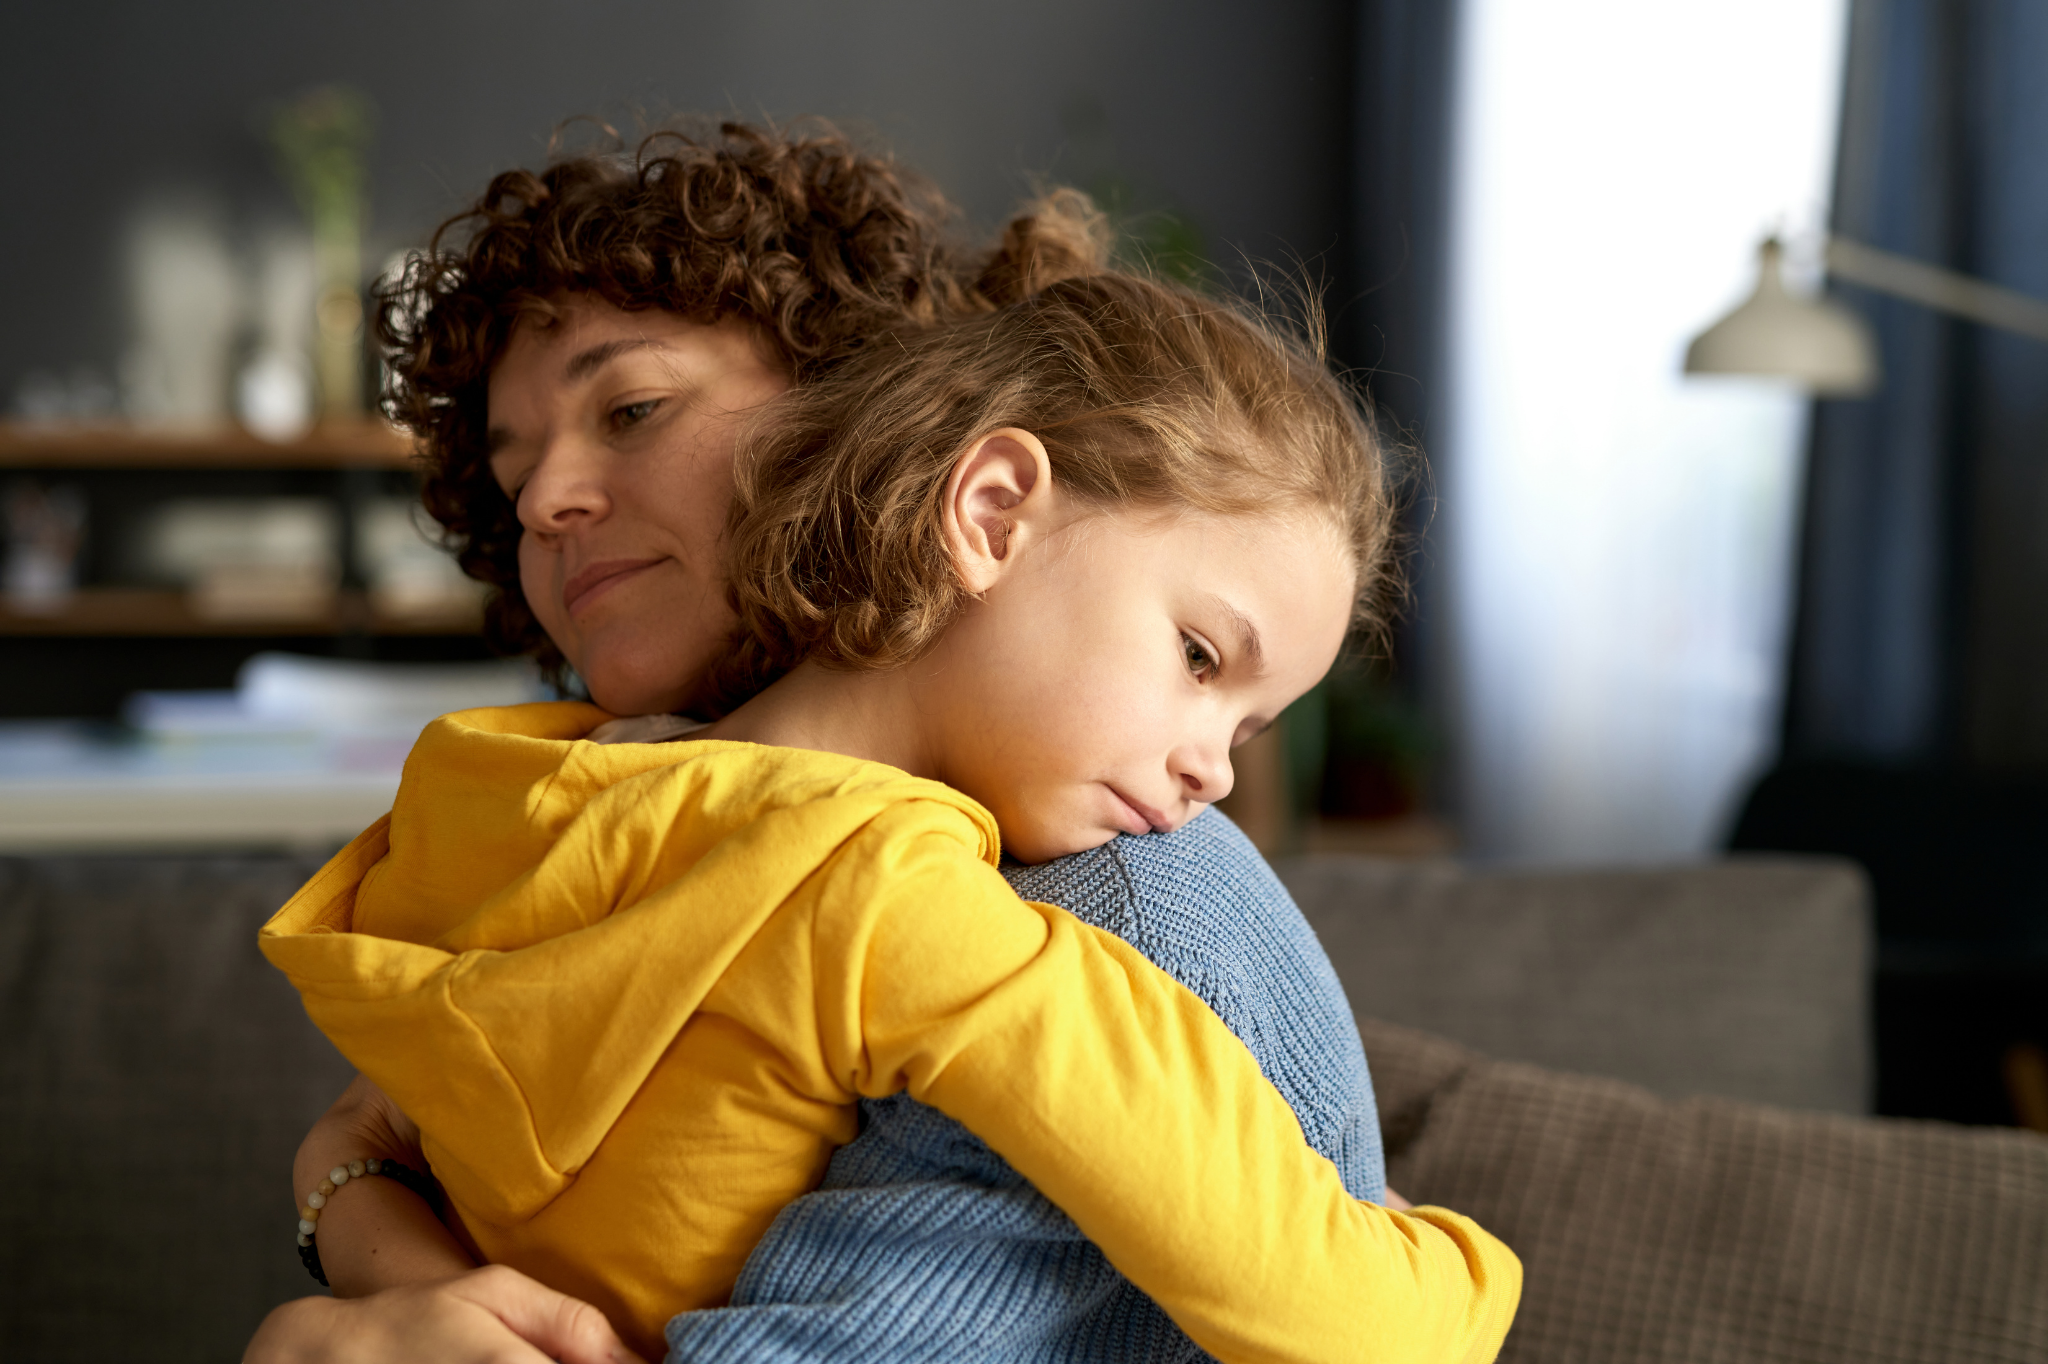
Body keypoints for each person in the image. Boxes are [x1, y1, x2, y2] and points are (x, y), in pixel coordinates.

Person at [243, 123, 1434, 1364]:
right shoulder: (581, 794)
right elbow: (382, 1133)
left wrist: (345, 1296)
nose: (546, 500)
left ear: (861, 408)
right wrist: (382, 1256)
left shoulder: (1110, 883)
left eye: (633, 407)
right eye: (515, 471)